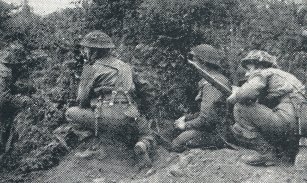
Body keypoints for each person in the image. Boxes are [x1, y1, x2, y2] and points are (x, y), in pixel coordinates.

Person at [65, 30, 156, 166]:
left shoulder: (90, 69)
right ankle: (142, 144)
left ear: (92, 51)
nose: (84, 52)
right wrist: (146, 113)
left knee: (70, 113)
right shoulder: (126, 67)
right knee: (148, 134)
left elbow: (82, 101)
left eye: (86, 49)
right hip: (131, 116)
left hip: (105, 118)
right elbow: (146, 90)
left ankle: (95, 145)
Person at [227, 50, 307, 167]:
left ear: (260, 66)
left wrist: (234, 95)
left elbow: (246, 93)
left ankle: (265, 153)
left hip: (286, 121)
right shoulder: (285, 77)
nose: (246, 74)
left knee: (240, 108)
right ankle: (284, 152)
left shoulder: (264, 73)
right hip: (304, 126)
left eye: (249, 69)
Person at [171, 44, 231, 152]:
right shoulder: (216, 79)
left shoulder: (212, 84)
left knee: (178, 142)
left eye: (195, 60)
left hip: (219, 135)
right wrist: (186, 118)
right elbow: (209, 112)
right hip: (216, 130)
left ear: (203, 62)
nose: (193, 64)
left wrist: (185, 125)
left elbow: (206, 119)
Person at [0, 43, 27, 153]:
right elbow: (3, 98)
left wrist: (20, 89)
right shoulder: (5, 72)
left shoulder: (3, 67)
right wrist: (21, 102)